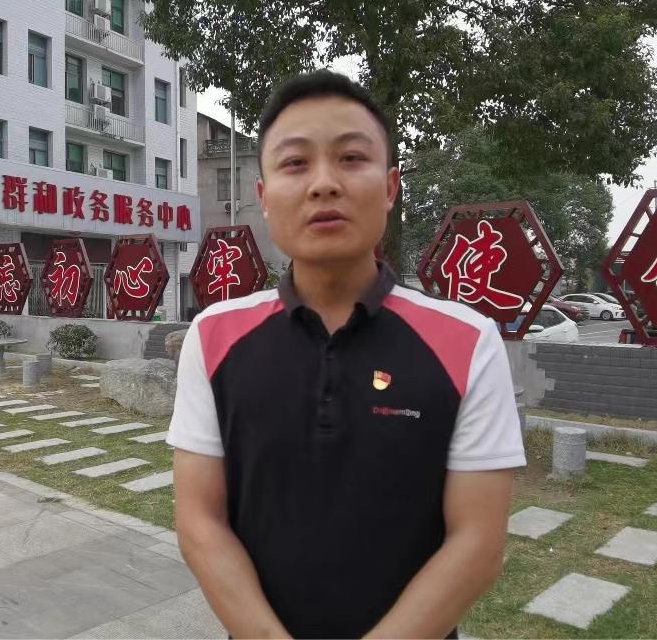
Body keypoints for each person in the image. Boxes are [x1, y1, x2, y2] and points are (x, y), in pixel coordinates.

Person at [167, 70, 526, 639]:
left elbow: (477, 543)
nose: (323, 184)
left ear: (390, 188)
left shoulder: (468, 341)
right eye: (295, 163)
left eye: (352, 158)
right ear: (263, 197)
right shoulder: (214, 336)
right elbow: (200, 521)